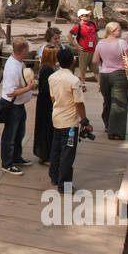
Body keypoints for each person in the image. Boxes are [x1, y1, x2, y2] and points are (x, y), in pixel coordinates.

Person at [47, 47, 90, 191]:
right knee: (68, 152)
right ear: (73, 61)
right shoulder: (74, 81)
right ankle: (64, 184)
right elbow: (79, 103)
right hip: (70, 123)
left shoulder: (52, 77)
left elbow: (53, 98)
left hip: (57, 119)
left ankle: (54, 176)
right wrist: (85, 121)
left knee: (56, 149)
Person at [92, 21, 128, 139]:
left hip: (104, 75)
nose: (120, 31)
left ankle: (107, 125)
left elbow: (95, 60)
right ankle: (115, 132)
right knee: (119, 104)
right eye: (118, 29)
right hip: (119, 74)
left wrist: (105, 62)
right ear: (111, 31)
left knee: (108, 101)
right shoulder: (122, 43)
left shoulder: (100, 43)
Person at [0, 39, 36, 174]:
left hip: (19, 104)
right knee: (10, 134)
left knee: (19, 133)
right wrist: (29, 88)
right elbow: (11, 92)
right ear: (24, 50)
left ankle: (16, 156)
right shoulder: (12, 68)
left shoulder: (19, 63)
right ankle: (7, 163)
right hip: (12, 106)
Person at [32, 44, 59, 165]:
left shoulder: (45, 67)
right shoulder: (48, 69)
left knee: (43, 128)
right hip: (47, 103)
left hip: (43, 102)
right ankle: (46, 155)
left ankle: (43, 154)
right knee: (47, 129)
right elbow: (47, 89)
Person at [70, 10, 99, 82]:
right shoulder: (78, 26)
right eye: (85, 15)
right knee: (83, 69)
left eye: (88, 15)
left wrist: (98, 44)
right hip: (84, 51)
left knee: (96, 69)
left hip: (93, 50)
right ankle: (83, 83)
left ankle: (100, 84)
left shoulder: (93, 24)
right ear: (80, 17)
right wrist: (76, 45)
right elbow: (69, 35)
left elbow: (96, 34)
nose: (88, 17)